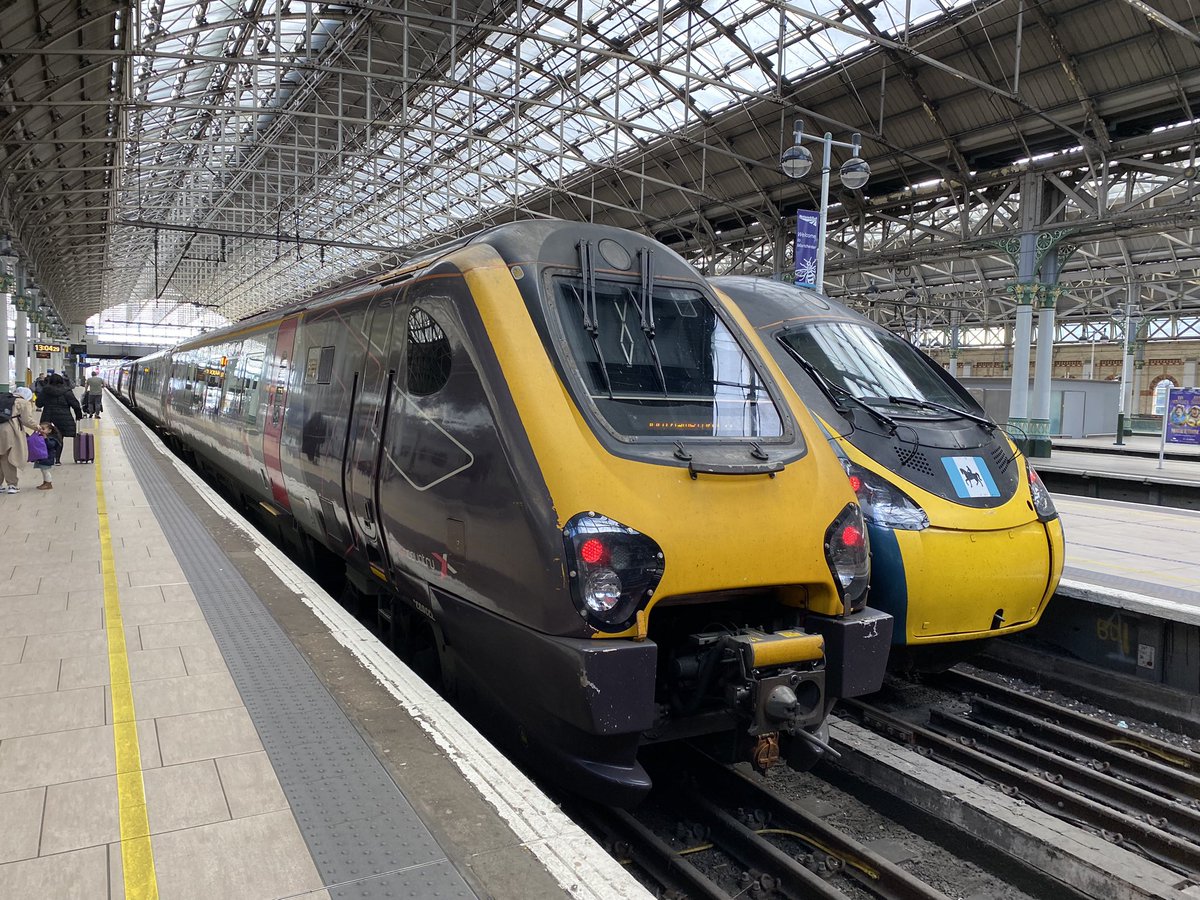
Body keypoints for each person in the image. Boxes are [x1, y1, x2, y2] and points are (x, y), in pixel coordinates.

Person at [34, 374, 82, 465]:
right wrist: (78, 415)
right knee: (60, 437)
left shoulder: (45, 391)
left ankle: (46, 457)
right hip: (63, 417)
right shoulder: (67, 391)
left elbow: (39, 404)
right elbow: (75, 404)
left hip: (48, 416)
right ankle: (57, 459)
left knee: (46, 436)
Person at [0, 387, 37, 493]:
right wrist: (37, 427)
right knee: (8, 458)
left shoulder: (2, 398)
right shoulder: (23, 402)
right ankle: (12, 484)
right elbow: (27, 420)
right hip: (9, 430)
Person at [32, 422, 61, 490]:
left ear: (49, 430)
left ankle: (48, 483)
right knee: (43, 470)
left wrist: (45, 438)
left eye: (43, 429)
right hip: (43, 457)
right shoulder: (41, 436)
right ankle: (45, 482)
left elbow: (50, 445)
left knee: (45, 471)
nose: (41, 430)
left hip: (48, 457)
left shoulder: (52, 439)